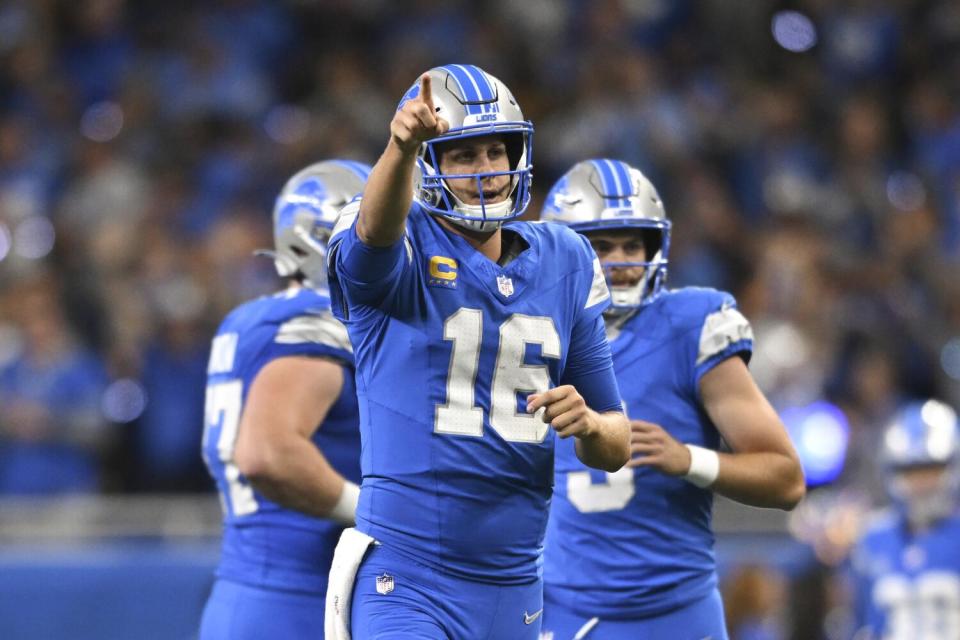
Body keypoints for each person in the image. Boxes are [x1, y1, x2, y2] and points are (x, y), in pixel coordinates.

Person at [323, 65, 630, 640]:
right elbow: (371, 245)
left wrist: (588, 424)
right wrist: (399, 149)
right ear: (429, 161)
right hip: (406, 578)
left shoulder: (567, 257)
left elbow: (617, 443)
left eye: (496, 151)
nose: (486, 171)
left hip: (515, 586)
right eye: (463, 155)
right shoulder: (398, 232)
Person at [539, 159, 806, 639]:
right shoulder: (528, 334)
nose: (620, 261)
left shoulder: (690, 326)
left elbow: (786, 479)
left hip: (675, 612)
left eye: (631, 243)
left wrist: (690, 460)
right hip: (563, 607)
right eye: (600, 245)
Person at [198, 159, 371, 639]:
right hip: (302, 599)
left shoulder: (249, 319)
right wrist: (376, 513)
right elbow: (266, 453)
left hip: (248, 587)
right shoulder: (319, 324)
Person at [848, 399, 960, 640]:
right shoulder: (872, 537)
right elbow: (861, 622)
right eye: (910, 471)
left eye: (931, 470)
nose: (921, 485)